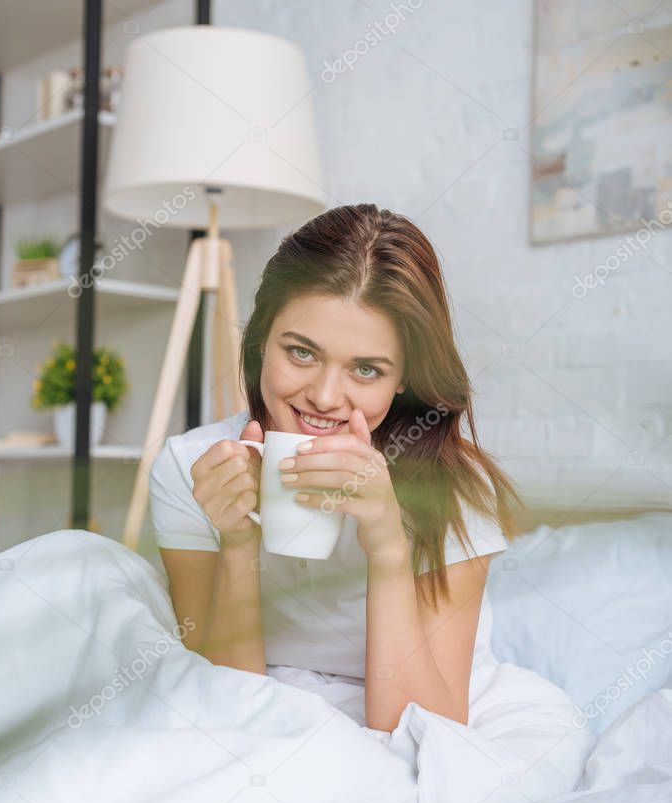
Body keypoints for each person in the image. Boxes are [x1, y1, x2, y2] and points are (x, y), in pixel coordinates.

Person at [149, 203, 525, 735]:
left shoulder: (454, 488)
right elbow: (225, 712)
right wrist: (236, 541)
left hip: (412, 703)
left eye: (367, 369)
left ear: (405, 380)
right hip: (256, 713)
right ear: (259, 343)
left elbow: (423, 732)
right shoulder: (192, 467)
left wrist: (387, 539)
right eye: (301, 353)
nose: (324, 397)